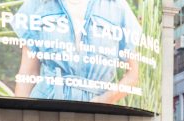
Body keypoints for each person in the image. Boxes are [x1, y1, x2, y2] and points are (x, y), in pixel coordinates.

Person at [11, 0, 140, 105]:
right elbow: (28, 73)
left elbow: (132, 75)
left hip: (98, 112)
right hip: (46, 106)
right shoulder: (37, 3)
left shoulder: (117, 5)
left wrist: (104, 100)